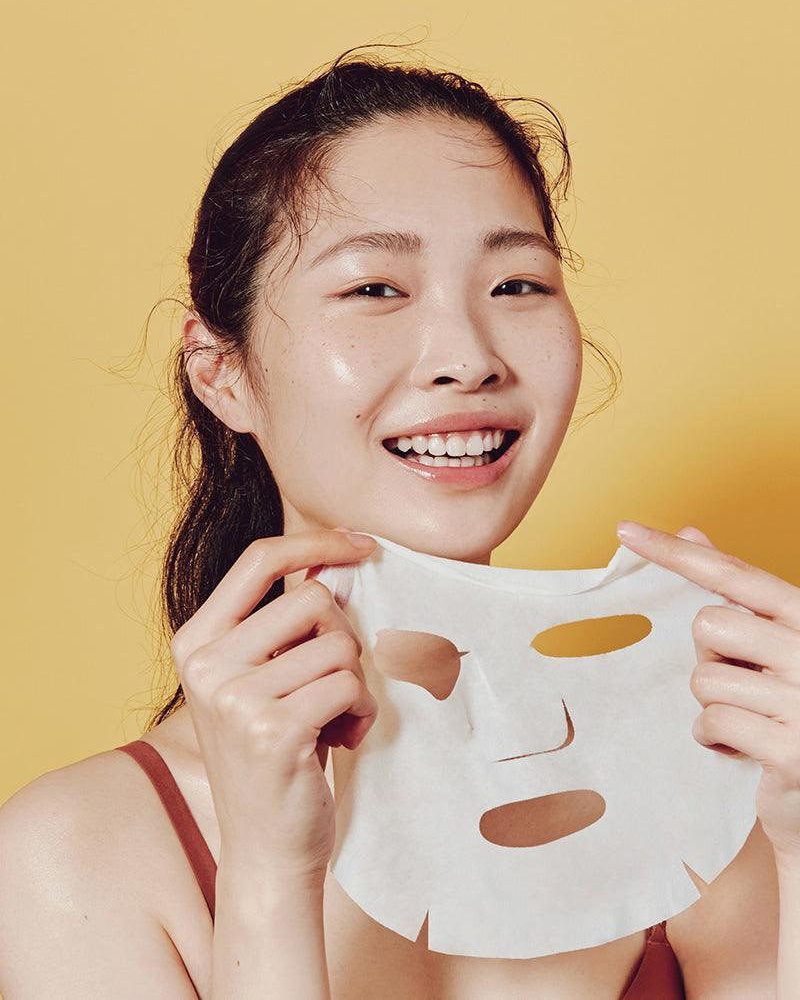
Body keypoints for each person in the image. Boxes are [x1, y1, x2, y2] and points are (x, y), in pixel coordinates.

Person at [0, 48, 789, 999]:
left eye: (517, 284)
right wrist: (269, 875)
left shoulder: (707, 778)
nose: (467, 356)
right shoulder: (75, 854)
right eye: (375, 288)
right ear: (222, 373)